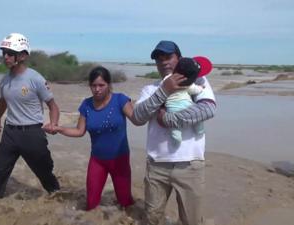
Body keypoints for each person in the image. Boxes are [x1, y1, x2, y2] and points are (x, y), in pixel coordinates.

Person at [133, 40, 217, 225]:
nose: (164, 62)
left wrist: (167, 119)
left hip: (190, 165)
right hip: (156, 166)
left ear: (179, 58)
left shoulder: (198, 81)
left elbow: (208, 110)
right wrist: (164, 91)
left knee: (192, 220)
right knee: (152, 218)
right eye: (159, 59)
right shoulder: (150, 89)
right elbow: (137, 117)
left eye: (168, 57)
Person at [46, 66, 139, 210]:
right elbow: (79, 131)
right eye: (93, 85)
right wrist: (59, 129)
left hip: (120, 160)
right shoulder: (86, 105)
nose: (97, 89)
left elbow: (137, 119)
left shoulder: (120, 100)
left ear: (109, 84)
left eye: (101, 85)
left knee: (125, 202)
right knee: (91, 204)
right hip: (97, 161)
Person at [0, 33, 60, 199]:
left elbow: (53, 106)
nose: (5, 57)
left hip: (32, 134)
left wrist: (53, 124)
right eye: (3, 52)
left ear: (22, 55)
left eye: (9, 53)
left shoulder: (35, 79)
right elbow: (3, 100)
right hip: (10, 133)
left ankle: (58, 199)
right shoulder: (4, 80)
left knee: (45, 174)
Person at [160, 56, 213, 146]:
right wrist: (201, 88)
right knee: (197, 118)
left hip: (172, 108)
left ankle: (176, 138)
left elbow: (162, 91)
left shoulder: (168, 80)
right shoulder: (187, 83)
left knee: (175, 128)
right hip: (187, 105)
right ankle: (199, 130)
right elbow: (194, 90)